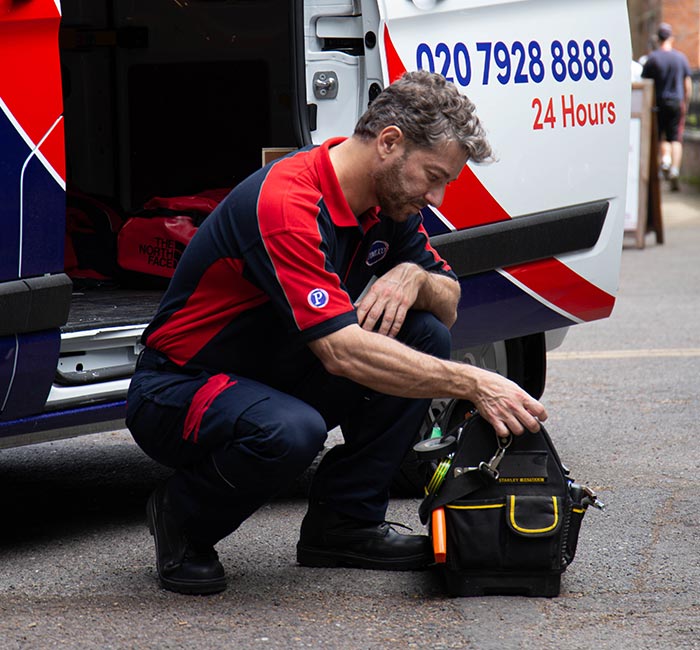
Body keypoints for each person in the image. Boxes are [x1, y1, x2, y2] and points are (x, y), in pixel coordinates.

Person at [126, 70, 548, 595]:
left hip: (273, 370)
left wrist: (415, 276)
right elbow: (343, 353)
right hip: (179, 388)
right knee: (290, 430)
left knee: (424, 334)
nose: (437, 197)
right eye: (433, 175)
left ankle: (344, 525)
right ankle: (183, 519)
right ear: (390, 143)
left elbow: (450, 304)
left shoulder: (385, 203)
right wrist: (475, 382)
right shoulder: (287, 204)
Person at [642, 22, 692, 191]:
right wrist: (685, 102)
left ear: (658, 39)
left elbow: (645, 84)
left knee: (662, 137)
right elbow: (687, 84)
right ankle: (675, 170)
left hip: (658, 102)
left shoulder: (652, 59)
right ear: (671, 38)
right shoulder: (681, 58)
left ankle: (665, 160)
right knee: (675, 138)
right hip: (676, 102)